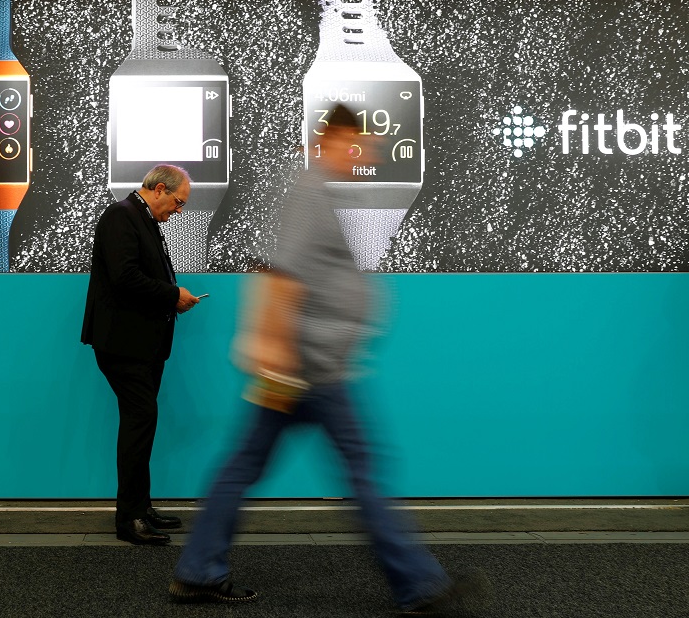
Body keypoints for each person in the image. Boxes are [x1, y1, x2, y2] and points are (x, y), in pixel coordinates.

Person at [169, 105, 491, 615]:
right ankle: (419, 586)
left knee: (246, 467)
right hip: (308, 370)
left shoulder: (313, 194)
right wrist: (271, 348)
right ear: (331, 140)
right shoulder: (308, 193)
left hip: (307, 368)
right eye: (355, 143)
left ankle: (199, 570)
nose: (365, 152)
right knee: (360, 470)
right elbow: (281, 274)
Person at [81, 164, 202, 546]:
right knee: (139, 422)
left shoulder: (141, 218)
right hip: (123, 345)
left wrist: (172, 296)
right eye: (178, 202)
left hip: (142, 344)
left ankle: (141, 507)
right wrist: (173, 295)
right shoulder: (122, 216)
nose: (179, 211)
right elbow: (125, 277)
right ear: (160, 189)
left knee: (142, 424)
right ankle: (128, 518)